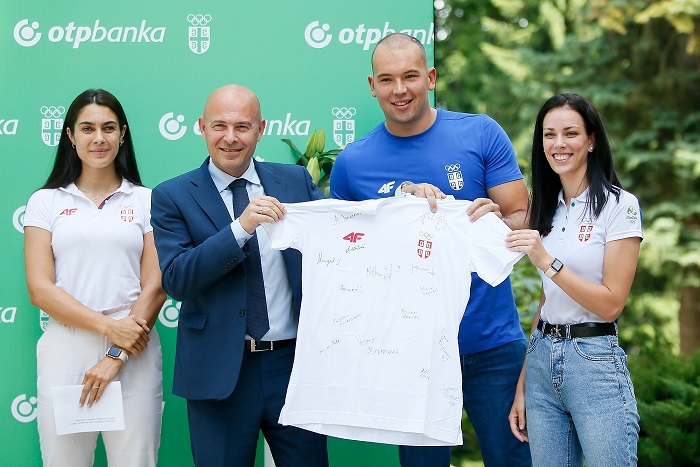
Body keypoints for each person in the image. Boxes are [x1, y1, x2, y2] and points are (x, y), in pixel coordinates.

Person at [330, 33, 532, 467]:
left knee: (515, 461)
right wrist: (396, 204)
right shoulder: (352, 164)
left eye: (410, 76)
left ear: (431, 78)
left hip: (491, 343)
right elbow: (347, 257)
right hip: (409, 353)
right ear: (372, 86)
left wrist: (494, 219)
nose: (399, 90)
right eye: (387, 79)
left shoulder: (480, 133)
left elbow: (522, 218)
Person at [150, 84, 329, 467]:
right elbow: (177, 279)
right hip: (218, 372)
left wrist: (406, 200)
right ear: (202, 127)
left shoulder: (295, 181)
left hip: (294, 367)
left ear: (260, 129)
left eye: (242, 127)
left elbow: (343, 234)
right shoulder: (172, 195)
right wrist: (240, 229)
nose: (230, 137)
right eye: (219, 126)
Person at [24, 89, 165, 467]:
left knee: (136, 461)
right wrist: (108, 327)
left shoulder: (147, 200)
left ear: (123, 134)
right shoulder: (45, 202)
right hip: (66, 346)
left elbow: (155, 286)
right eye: (87, 128)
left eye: (108, 128)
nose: (98, 138)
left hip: (134, 347)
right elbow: (39, 289)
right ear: (70, 136)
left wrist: (117, 352)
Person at [506, 92, 641, 465]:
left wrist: (547, 261)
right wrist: (523, 385)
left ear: (591, 140)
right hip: (541, 362)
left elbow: (611, 304)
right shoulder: (546, 210)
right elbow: (547, 300)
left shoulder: (620, 206)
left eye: (570, 133)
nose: (558, 144)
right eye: (549, 135)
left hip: (593, 362)